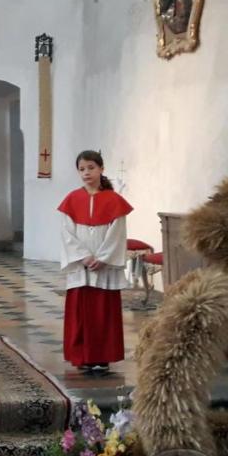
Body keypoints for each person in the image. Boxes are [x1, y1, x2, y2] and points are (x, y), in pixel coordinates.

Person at [58, 150, 132, 373]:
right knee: (80, 311)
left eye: (91, 167)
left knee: (103, 312)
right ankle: (82, 356)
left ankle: (103, 356)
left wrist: (103, 258)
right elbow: (66, 232)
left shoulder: (114, 200)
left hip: (103, 264)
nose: (86, 172)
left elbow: (117, 232)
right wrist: (84, 256)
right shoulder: (72, 199)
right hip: (82, 264)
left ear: (101, 169)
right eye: (82, 169)